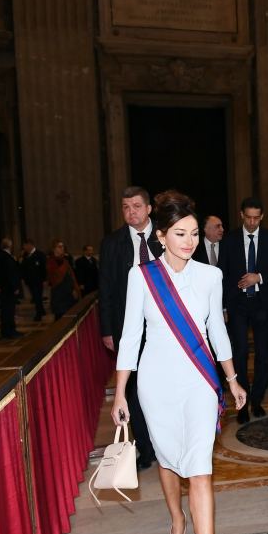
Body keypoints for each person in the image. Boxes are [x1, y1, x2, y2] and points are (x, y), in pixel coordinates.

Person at [110, 190, 246, 534]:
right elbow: (131, 336)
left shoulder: (210, 276)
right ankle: (176, 519)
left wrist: (232, 378)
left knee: (201, 470)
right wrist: (119, 391)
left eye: (193, 233)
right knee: (169, 462)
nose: (189, 241)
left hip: (200, 383)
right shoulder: (142, 277)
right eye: (180, 233)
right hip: (155, 383)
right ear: (163, 236)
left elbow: (218, 333)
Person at [99, 186, 164, 470]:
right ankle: (147, 450)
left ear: (149, 209)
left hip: (165, 325)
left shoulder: (166, 237)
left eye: (136, 206)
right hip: (129, 329)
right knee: (135, 391)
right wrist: (107, 330)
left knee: (164, 386)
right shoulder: (113, 244)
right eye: (126, 207)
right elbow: (107, 291)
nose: (131, 212)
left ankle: (168, 443)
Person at [220, 198, 268, 423]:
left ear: (262, 217)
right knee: (241, 353)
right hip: (238, 305)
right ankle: (242, 401)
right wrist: (223, 306)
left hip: (263, 304)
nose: (252, 222)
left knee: (264, 354)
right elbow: (222, 275)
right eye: (249, 217)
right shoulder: (229, 241)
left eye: (257, 218)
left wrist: (259, 277)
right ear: (241, 215)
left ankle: (257, 399)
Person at [0, 238, 23, 338]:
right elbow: (9, 274)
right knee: (8, 310)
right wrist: (15, 287)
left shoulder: (3, 256)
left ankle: (9, 330)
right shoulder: (5, 257)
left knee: (9, 310)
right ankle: (9, 331)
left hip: (6, 287)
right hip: (8, 288)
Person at [46, 240, 80, 319]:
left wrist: (74, 289)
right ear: (54, 249)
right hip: (59, 293)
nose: (62, 248)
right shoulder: (50, 261)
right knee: (60, 318)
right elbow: (53, 277)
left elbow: (71, 277)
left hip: (69, 294)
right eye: (59, 247)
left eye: (63, 247)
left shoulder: (66, 261)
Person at [20, 239, 47, 321]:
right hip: (30, 281)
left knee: (37, 297)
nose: (24, 247)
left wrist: (45, 279)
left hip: (38, 280)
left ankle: (39, 314)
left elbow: (44, 268)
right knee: (35, 296)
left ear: (30, 245)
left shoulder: (40, 254)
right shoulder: (25, 255)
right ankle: (42, 311)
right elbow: (23, 268)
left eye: (25, 245)